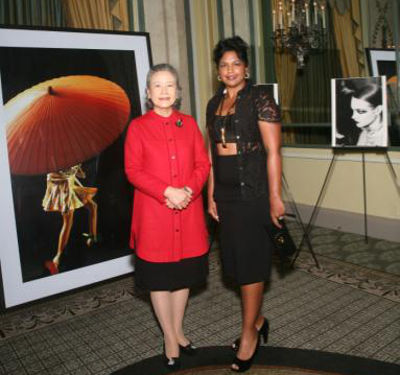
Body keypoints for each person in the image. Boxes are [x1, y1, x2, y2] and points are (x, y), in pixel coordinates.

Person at [206, 36, 285, 372]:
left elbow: (273, 152)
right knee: (236, 265)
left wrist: (275, 196)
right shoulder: (213, 104)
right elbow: (212, 153)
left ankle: (248, 334)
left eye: (236, 63)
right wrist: (210, 192)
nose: (230, 70)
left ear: (246, 67)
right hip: (224, 194)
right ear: (218, 71)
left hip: (252, 193)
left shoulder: (260, 99)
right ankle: (258, 318)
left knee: (252, 264)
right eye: (224, 65)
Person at [124, 64, 210, 370]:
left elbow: (203, 164)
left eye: (170, 85)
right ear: (148, 93)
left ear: (178, 92)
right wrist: (166, 191)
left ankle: (178, 330)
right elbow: (133, 170)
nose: (164, 91)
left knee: (183, 275)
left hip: (188, 214)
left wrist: (188, 188)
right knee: (160, 279)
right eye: (157, 86)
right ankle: (170, 337)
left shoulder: (188, 124)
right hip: (154, 216)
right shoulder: (137, 127)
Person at [42, 164, 98, 274]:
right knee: (68, 223)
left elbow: (82, 175)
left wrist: (77, 169)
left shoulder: (70, 159)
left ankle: (92, 236)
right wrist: (70, 172)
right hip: (64, 192)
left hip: (72, 188)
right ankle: (57, 258)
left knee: (93, 206)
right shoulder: (55, 163)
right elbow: (52, 177)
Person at [336, 79, 386, 147]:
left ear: (377, 110)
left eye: (361, 111)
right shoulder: (364, 133)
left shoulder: (384, 136)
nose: (353, 116)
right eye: (353, 110)